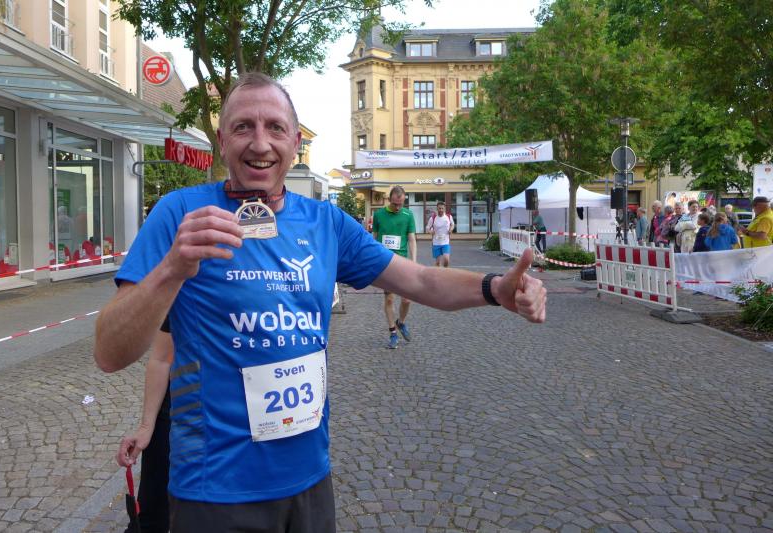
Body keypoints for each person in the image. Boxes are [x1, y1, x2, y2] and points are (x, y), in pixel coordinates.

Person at [93, 72, 548, 532]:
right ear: (222, 141)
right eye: (243, 127)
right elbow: (110, 353)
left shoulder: (325, 222)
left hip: (308, 480)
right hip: (215, 490)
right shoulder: (181, 214)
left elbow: (421, 279)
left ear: (295, 143)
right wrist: (171, 269)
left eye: (275, 127)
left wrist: (494, 289)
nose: (260, 143)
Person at [116, 324, 172, 533]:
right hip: (180, 414)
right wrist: (146, 427)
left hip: (253, 421)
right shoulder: (179, 300)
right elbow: (161, 359)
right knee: (151, 519)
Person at [372, 186, 417, 349]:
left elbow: (411, 239)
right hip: (385, 263)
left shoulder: (408, 215)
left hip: (402, 263)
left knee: (407, 299)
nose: (398, 207)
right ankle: (392, 333)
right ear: (389, 199)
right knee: (389, 299)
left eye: (401, 204)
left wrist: (413, 261)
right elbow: (373, 239)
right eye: (395, 204)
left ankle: (401, 322)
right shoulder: (379, 215)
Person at [426, 200, 454, 267]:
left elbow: (452, 224)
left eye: (442, 208)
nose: (441, 210)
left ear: (444, 209)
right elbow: (427, 227)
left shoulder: (448, 217)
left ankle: (445, 271)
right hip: (436, 243)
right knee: (438, 263)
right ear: (437, 209)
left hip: (445, 242)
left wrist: (451, 229)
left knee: (446, 259)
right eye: (439, 208)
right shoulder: (433, 218)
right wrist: (430, 231)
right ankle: (438, 272)